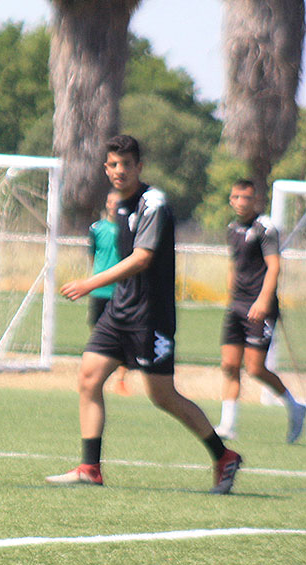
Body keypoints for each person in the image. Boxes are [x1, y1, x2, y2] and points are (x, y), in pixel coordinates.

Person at [47, 134, 242, 494]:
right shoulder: (119, 204)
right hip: (120, 311)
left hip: (150, 317)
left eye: (126, 164)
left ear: (139, 166)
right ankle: (90, 467)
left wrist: (89, 284)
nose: (119, 171)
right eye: (113, 165)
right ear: (106, 168)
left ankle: (223, 455)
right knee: (89, 378)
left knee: (163, 395)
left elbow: (142, 258)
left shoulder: (153, 204)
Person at [215, 179, 305, 443]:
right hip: (237, 307)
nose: (241, 202)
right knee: (229, 365)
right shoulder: (233, 228)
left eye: (247, 197)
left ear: (255, 200)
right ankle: (228, 425)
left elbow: (274, 267)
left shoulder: (265, 228)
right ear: (231, 200)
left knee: (255, 368)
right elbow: (235, 264)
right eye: (236, 197)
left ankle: (295, 406)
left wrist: (263, 301)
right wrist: (231, 298)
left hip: (259, 307)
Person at [87, 189, 130, 396]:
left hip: (121, 290)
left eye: (117, 201)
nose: (113, 205)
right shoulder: (96, 228)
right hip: (99, 291)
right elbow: (93, 255)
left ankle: (120, 379)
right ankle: (99, 373)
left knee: (123, 334)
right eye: (110, 201)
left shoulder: (129, 229)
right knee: (97, 331)